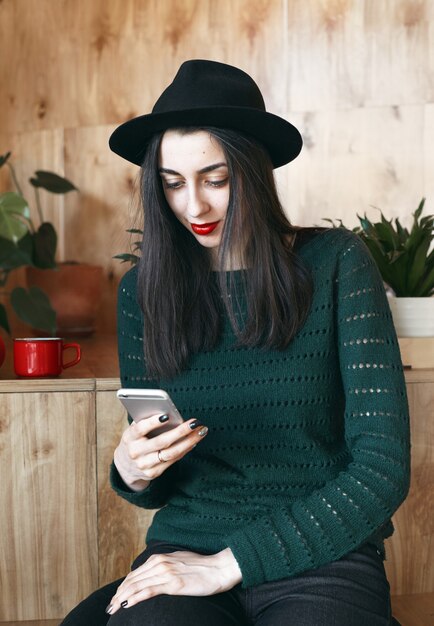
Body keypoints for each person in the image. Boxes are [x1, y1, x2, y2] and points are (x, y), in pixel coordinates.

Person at [62, 60, 410, 626]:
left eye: (215, 179)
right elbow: (159, 484)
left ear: (253, 171)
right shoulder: (140, 294)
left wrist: (230, 564)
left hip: (323, 556)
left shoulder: (338, 264)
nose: (192, 206)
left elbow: (382, 469)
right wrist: (133, 469)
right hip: (184, 552)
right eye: (172, 183)